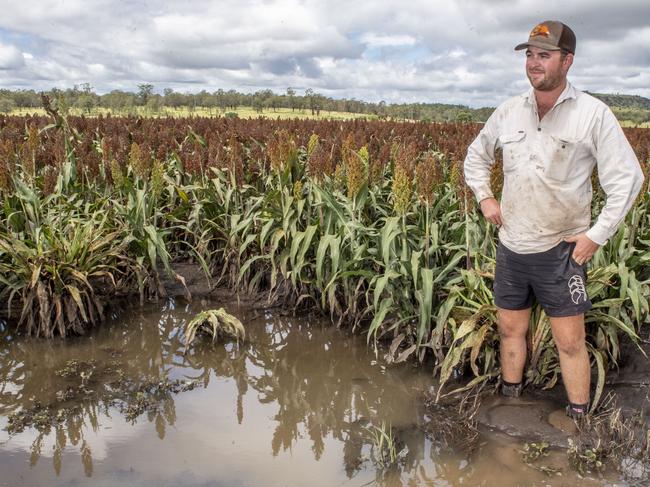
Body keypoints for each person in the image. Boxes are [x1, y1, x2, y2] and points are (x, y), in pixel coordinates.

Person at [463, 20, 645, 419]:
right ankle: (511, 402)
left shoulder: (593, 114)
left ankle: (579, 419)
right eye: (529, 54)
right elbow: (475, 158)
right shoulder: (509, 111)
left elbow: (629, 180)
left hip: (562, 251)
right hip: (513, 246)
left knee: (570, 343)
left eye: (544, 55)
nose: (533, 62)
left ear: (568, 61)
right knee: (511, 331)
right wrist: (485, 196)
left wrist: (595, 236)